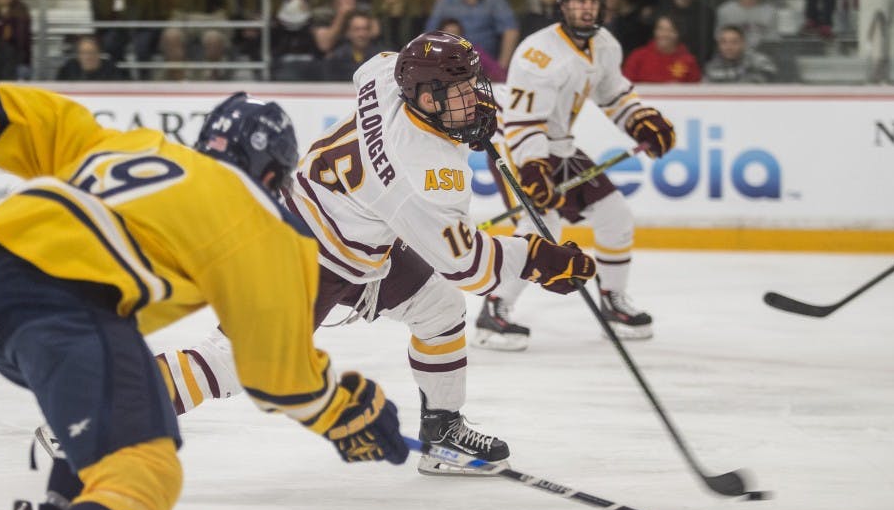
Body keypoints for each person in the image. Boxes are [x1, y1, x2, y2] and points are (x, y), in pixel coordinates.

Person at [0, 87, 408, 510]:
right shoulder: (263, 224)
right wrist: (347, 411)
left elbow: (13, 112)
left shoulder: (133, 144)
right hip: (61, 304)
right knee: (145, 466)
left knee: (138, 415)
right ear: (277, 175)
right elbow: (278, 375)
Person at [169, 31, 597, 475]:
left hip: (344, 237)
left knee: (439, 309)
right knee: (234, 363)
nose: (474, 96)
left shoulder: (387, 79)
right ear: (428, 99)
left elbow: (378, 62)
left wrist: (459, 114)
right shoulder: (423, 176)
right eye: (461, 91)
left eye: (472, 85)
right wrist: (537, 260)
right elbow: (468, 267)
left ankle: (443, 436)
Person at [473, 0, 677, 350]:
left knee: (615, 215)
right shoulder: (537, 54)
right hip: (515, 145)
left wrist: (641, 123)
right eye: (578, 0)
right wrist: (534, 171)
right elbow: (521, 124)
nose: (586, 8)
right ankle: (493, 312)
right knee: (542, 228)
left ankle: (613, 305)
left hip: (560, 144)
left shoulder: (606, 45)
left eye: (592, 1)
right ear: (563, 5)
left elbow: (614, 97)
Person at [425, 0, 520, 72]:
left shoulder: (495, 0)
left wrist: (501, 68)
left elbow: (511, 31)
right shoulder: (447, 2)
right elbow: (429, 34)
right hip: (451, 64)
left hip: (486, 63)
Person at [622, 14, 702, 83]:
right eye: (660, 29)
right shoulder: (638, 56)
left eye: (670, 30)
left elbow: (696, 91)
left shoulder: (688, 61)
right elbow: (625, 86)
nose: (664, 34)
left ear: (678, 34)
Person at [661, 0, 714, 66]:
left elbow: (708, 45)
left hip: (697, 66)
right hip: (665, 65)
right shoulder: (662, 13)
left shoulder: (706, 13)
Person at [704, 23, 776, 82]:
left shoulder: (758, 60)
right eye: (724, 42)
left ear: (743, 43)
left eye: (734, 42)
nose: (728, 47)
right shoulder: (712, 67)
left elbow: (770, 77)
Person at [55, 35, 130, 81]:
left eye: (91, 52)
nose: (88, 57)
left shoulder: (111, 69)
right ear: (78, 56)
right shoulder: (69, 69)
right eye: (83, 53)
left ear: (99, 53)